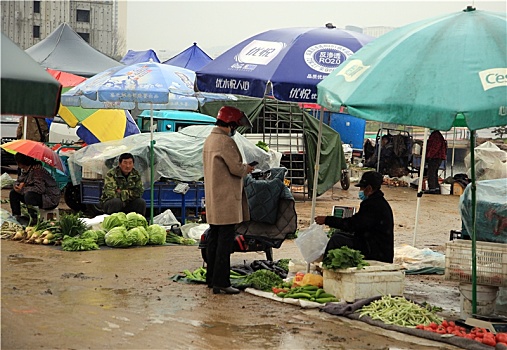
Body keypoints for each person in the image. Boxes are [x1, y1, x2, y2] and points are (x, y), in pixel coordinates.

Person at [202, 106, 255, 295]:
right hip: (226, 199)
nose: (235, 130)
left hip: (214, 198)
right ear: (230, 124)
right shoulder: (224, 141)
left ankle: (212, 279)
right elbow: (236, 168)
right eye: (235, 126)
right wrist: (246, 168)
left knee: (214, 240)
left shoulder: (210, 139)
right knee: (224, 243)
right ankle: (222, 282)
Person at [314, 171, 394, 263]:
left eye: (362, 188)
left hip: (376, 251)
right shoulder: (377, 202)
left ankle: (326, 268)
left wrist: (327, 220)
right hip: (371, 243)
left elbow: (352, 225)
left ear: (369, 188)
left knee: (336, 240)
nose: (360, 191)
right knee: (338, 234)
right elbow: (358, 223)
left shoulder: (373, 205)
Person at [10, 153, 61, 224]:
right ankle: (16, 216)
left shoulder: (37, 171)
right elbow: (18, 181)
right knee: (13, 193)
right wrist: (16, 186)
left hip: (49, 198)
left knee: (29, 195)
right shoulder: (26, 170)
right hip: (39, 196)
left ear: (21, 163)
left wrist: (22, 190)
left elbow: (40, 189)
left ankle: (34, 219)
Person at [425, 130, 447, 194]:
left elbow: (435, 147)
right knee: (434, 172)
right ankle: (436, 188)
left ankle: (432, 188)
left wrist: (429, 156)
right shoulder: (438, 135)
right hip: (438, 157)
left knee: (431, 172)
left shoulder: (435, 135)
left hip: (435, 157)